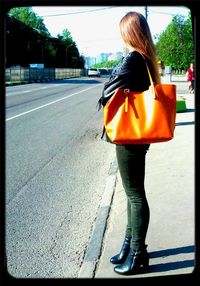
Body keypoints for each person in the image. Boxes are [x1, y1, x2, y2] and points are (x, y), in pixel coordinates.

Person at [97, 11, 160, 275]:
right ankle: (128, 246)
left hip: (129, 136)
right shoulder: (144, 59)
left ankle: (137, 254)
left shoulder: (133, 59)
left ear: (130, 33)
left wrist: (109, 88)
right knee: (132, 193)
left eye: (124, 31)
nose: (121, 36)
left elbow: (107, 91)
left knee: (135, 194)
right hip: (137, 135)